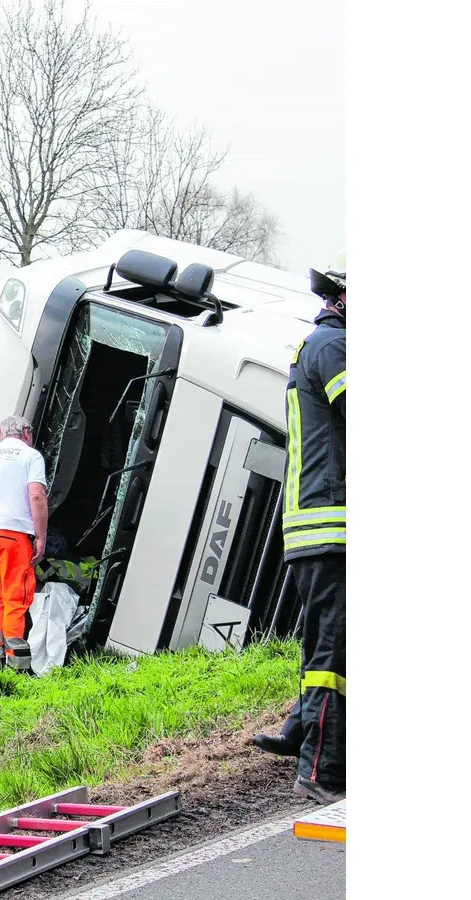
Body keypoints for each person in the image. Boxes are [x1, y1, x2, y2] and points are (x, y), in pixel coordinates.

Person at [254, 252, 346, 804]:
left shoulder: (316, 345)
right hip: (334, 523)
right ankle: (319, 772)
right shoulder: (334, 347)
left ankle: (298, 728)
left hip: (319, 524)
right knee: (335, 655)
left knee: (329, 646)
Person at [0, 415, 48, 674]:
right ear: (26, 433)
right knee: (16, 595)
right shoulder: (30, 455)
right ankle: (18, 666)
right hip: (12, 531)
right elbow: (36, 495)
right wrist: (41, 537)